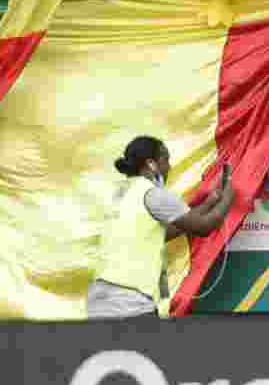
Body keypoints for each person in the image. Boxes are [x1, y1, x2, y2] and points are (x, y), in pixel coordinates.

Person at [88, 136, 236, 320]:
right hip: (129, 304)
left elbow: (164, 231)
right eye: (166, 159)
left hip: (99, 301)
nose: (169, 166)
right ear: (151, 164)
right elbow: (203, 227)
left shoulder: (122, 192)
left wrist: (210, 202)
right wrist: (228, 198)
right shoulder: (153, 194)